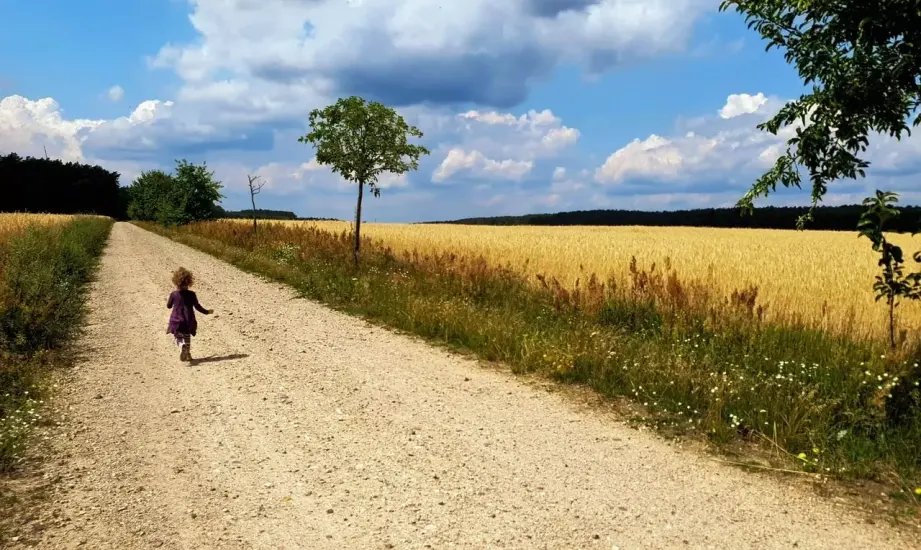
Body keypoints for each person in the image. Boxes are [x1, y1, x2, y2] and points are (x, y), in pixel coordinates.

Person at [166, 267, 213, 362]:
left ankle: (181, 345)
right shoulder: (192, 294)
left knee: (178, 337)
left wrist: (172, 301)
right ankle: (188, 354)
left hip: (176, 320)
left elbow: (169, 306)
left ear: (176, 282)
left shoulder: (174, 294)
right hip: (188, 320)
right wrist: (207, 311)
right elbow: (197, 306)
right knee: (187, 337)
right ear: (189, 282)